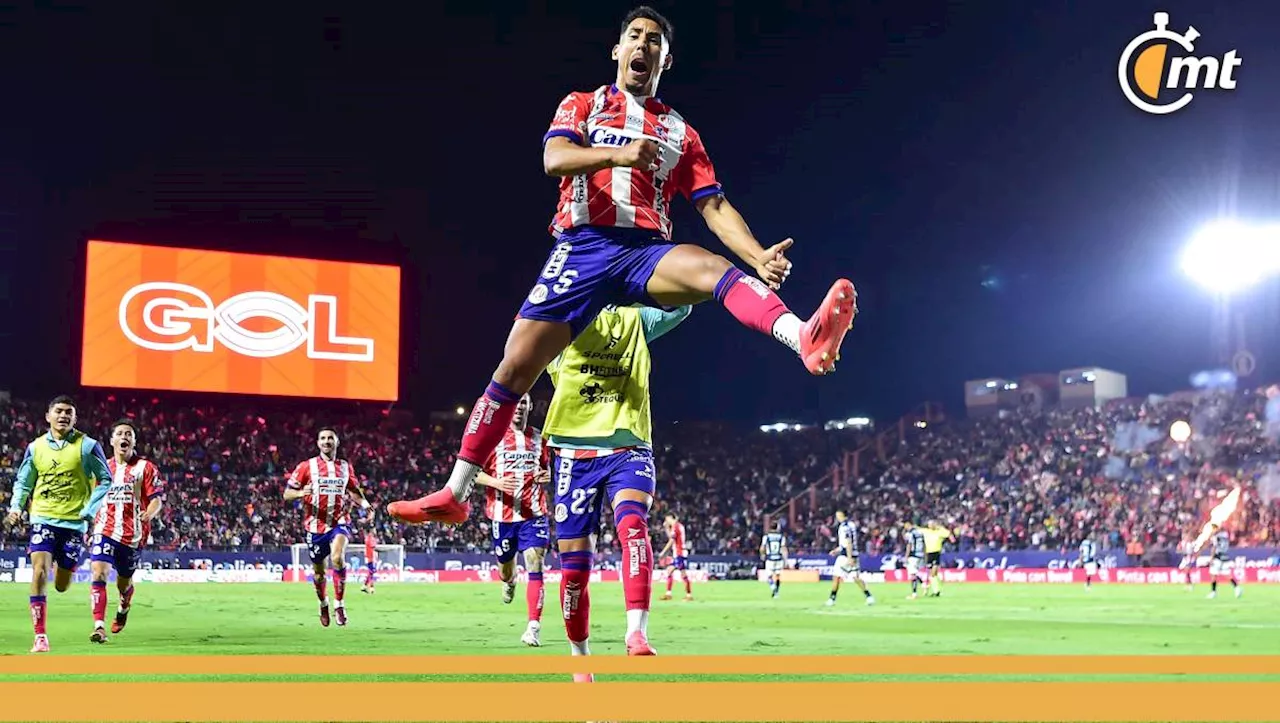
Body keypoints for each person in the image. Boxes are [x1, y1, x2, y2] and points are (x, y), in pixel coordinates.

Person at [388, 5, 858, 526]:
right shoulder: (583, 104)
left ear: (666, 58)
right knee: (513, 369)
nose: (643, 45)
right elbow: (554, 159)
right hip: (582, 247)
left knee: (715, 270)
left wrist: (758, 253)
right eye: (634, 36)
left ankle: (803, 337)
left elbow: (714, 206)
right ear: (617, 50)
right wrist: (620, 156)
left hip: (645, 251)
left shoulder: (680, 132)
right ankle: (456, 492)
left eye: (654, 40)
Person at [3, 395, 111, 653]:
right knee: (39, 570)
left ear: (75, 418)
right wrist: (16, 507)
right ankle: (40, 637)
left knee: (62, 584)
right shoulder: (36, 447)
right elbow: (24, 481)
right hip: (42, 517)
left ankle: (67, 569)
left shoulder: (88, 446)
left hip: (74, 523)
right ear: (48, 416)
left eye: (68, 412)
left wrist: (89, 510)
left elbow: (105, 479)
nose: (63, 416)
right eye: (58, 411)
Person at [473, 394, 552, 647]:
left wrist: (546, 474)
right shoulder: (493, 437)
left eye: (524, 403)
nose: (519, 407)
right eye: (516, 403)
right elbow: (471, 472)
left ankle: (533, 626)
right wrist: (495, 482)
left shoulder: (539, 438)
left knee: (535, 562)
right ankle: (510, 582)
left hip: (534, 514)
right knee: (505, 571)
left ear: (530, 406)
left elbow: (547, 467)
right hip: (502, 516)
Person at [283, 427, 372, 627]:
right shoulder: (307, 466)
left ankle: (339, 604)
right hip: (315, 526)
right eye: (322, 438)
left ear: (336, 442)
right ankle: (323, 603)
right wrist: (300, 494)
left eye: (330, 438)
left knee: (337, 557)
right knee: (319, 573)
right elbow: (287, 494)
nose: (326, 441)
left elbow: (354, 491)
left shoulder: (345, 467)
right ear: (318, 443)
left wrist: (366, 505)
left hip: (339, 521)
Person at [88, 419, 165, 642]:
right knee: (98, 572)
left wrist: (149, 513)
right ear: (112, 440)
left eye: (129, 434)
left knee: (123, 582)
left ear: (133, 441)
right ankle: (99, 627)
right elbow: (93, 499)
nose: (124, 437)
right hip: (105, 528)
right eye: (120, 433)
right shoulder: (102, 468)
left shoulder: (145, 467)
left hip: (133, 534)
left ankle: (124, 604)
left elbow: (156, 500)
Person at [826, 511, 873, 607]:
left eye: (838, 515)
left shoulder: (844, 527)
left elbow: (848, 542)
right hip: (853, 554)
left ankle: (832, 599)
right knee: (856, 577)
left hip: (846, 556)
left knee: (836, 576)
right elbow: (846, 543)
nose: (837, 517)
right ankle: (869, 596)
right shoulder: (852, 525)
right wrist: (836, 550)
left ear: (841, 515)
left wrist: (849, 557)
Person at [658, 513, 692, 601]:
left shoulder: (676, 526)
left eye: (667, 519)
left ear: (670, 518)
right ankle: (668, 594)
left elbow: (671, 541)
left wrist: (663, 552)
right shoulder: (677, 526)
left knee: (683, 573)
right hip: (678, 553)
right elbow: (671, 536)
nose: (666, 521)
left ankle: (689, 595)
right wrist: (666, 528)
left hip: (680, 553)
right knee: (669, 571)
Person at [920, 520, 954, 597]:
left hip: (936, 553)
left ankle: (937, 590)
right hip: (929, 554)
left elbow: (948, 533)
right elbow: (916, 530)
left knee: (933, 573)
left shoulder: (939, 532)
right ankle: (937, 589)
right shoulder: (926, 532)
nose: (931, 526)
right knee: (933, 574)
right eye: (930, 524)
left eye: (933, 524)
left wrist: (940, 527)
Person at [760, 522, 788, 598]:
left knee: (769, 576)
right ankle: (776, 593)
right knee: (778, 576)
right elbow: (783, 548)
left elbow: (763, 547)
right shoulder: (781, 537)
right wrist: (786, 559)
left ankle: (773, 588)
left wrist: (762, 555)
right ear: (777, 527)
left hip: (770, 558)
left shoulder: (766, 537)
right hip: (779, 558)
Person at [903, 521, 926, 600]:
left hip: (913, 555)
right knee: (915, 572)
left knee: (912, 574)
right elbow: (924, 544)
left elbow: (909, 544)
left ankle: (914, 594)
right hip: (920, 555)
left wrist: (906, 556)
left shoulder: (910, 533)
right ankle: (924, 584)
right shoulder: (920, 532)